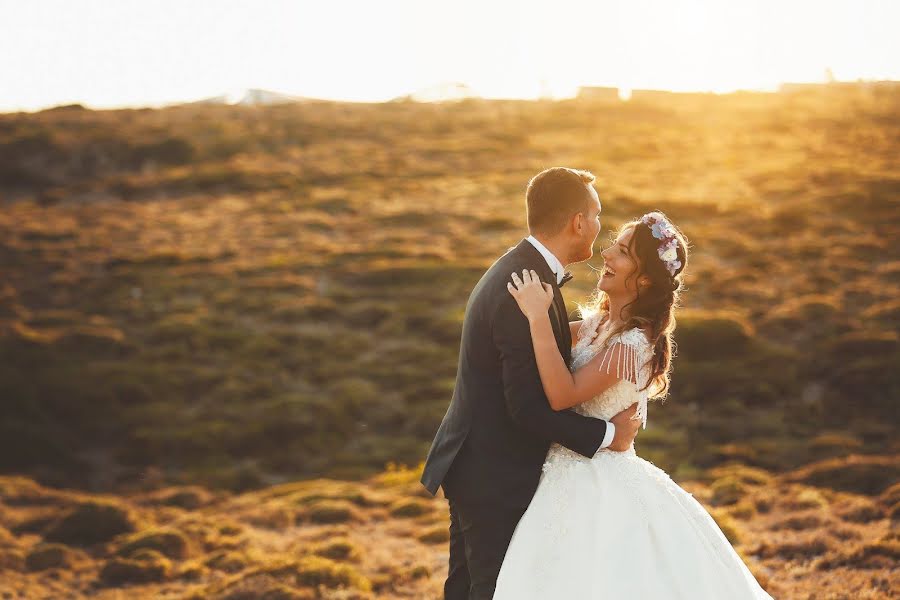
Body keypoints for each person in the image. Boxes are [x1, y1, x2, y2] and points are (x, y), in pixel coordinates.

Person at [493, 211, 773, 599]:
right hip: (564, 468)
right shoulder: (597, 325)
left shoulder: (632, 345)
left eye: (621, 252)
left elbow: (562, 394)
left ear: (642, 279)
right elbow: (544, 351)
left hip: (593, 479)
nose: (606, 254)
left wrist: (539, 316)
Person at [420, 167, 643, 599]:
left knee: (467, 588)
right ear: (578, 221)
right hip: (494, 472)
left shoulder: (525, 272)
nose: (599, 228)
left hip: (482, 464)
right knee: (494, 590)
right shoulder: (523, 285)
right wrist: (610, 434)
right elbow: (525, 407)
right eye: (596, 215)